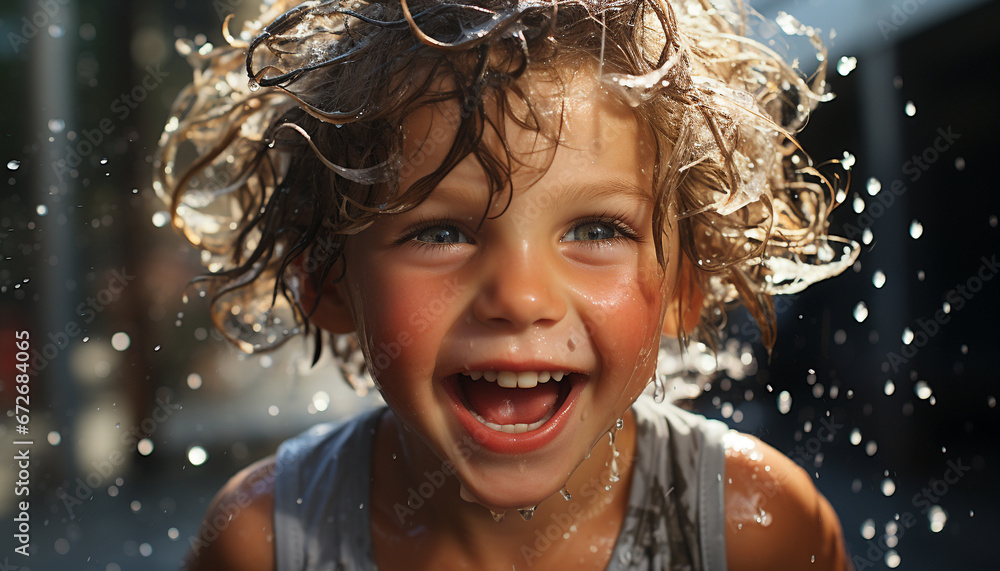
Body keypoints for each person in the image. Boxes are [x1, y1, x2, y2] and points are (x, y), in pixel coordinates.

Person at [155, 0, 858, 569]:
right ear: (326, 278)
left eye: (596, 230)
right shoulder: (265, 542)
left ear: (686, 281)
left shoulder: (751, 531)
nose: (521, 297)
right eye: (441, 232)